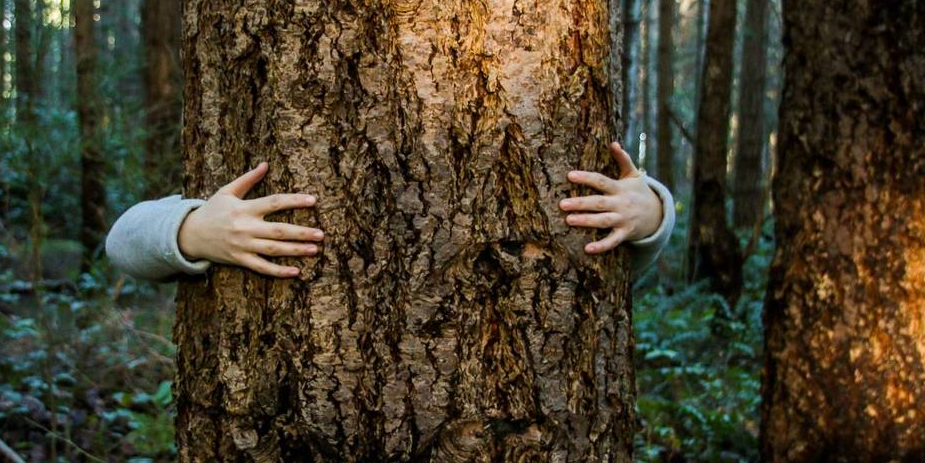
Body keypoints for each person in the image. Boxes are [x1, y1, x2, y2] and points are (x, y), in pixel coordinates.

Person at [106, 141, 674, 281]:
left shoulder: (602, 209)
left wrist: (650, 211)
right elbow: (121, 241)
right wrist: (192, 229)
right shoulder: (220, 209)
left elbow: (620, 273)